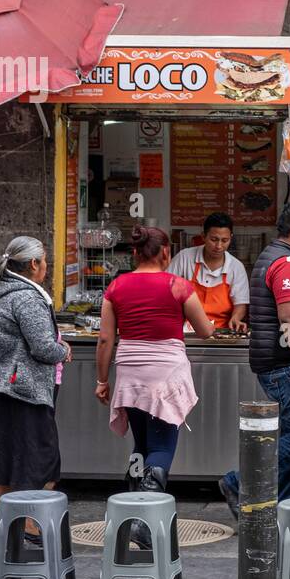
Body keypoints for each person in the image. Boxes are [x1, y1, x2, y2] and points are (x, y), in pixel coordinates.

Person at [96, 227, 214, 548]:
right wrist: (209, 323)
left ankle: (131, 508)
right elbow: (204, 331)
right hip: (166, 376)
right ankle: (143, 521)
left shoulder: (117, 286)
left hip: (130, 374)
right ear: (166, 253)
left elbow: (106, 339)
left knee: (142, 445)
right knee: (162, 447)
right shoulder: (178, 285)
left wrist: (102, 380)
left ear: (135, 253)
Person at [219, 201, 290, 513]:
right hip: (288, 367)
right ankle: (239, 481)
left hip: (282, 365)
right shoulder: (287, 264)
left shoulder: (276, 258)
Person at [0, 236, 69, 502]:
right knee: (43, 463)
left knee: (5, 468)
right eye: (45, 263)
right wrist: (64, 351)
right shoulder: (27, 298)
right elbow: (43, 348)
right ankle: (32, 525)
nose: (46, 268)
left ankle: (10, 529)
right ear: (33, 264)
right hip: (23, 392)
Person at [167, 211, 250, 331]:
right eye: (214, 239)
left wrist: (236, 318)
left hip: (221, 332)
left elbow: (240, 303)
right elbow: (166, 290)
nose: (219, 246)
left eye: (224, 240)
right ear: (203, 236)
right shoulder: (184, 257)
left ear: (231, 238)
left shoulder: (236, 267)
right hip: (185, 330)